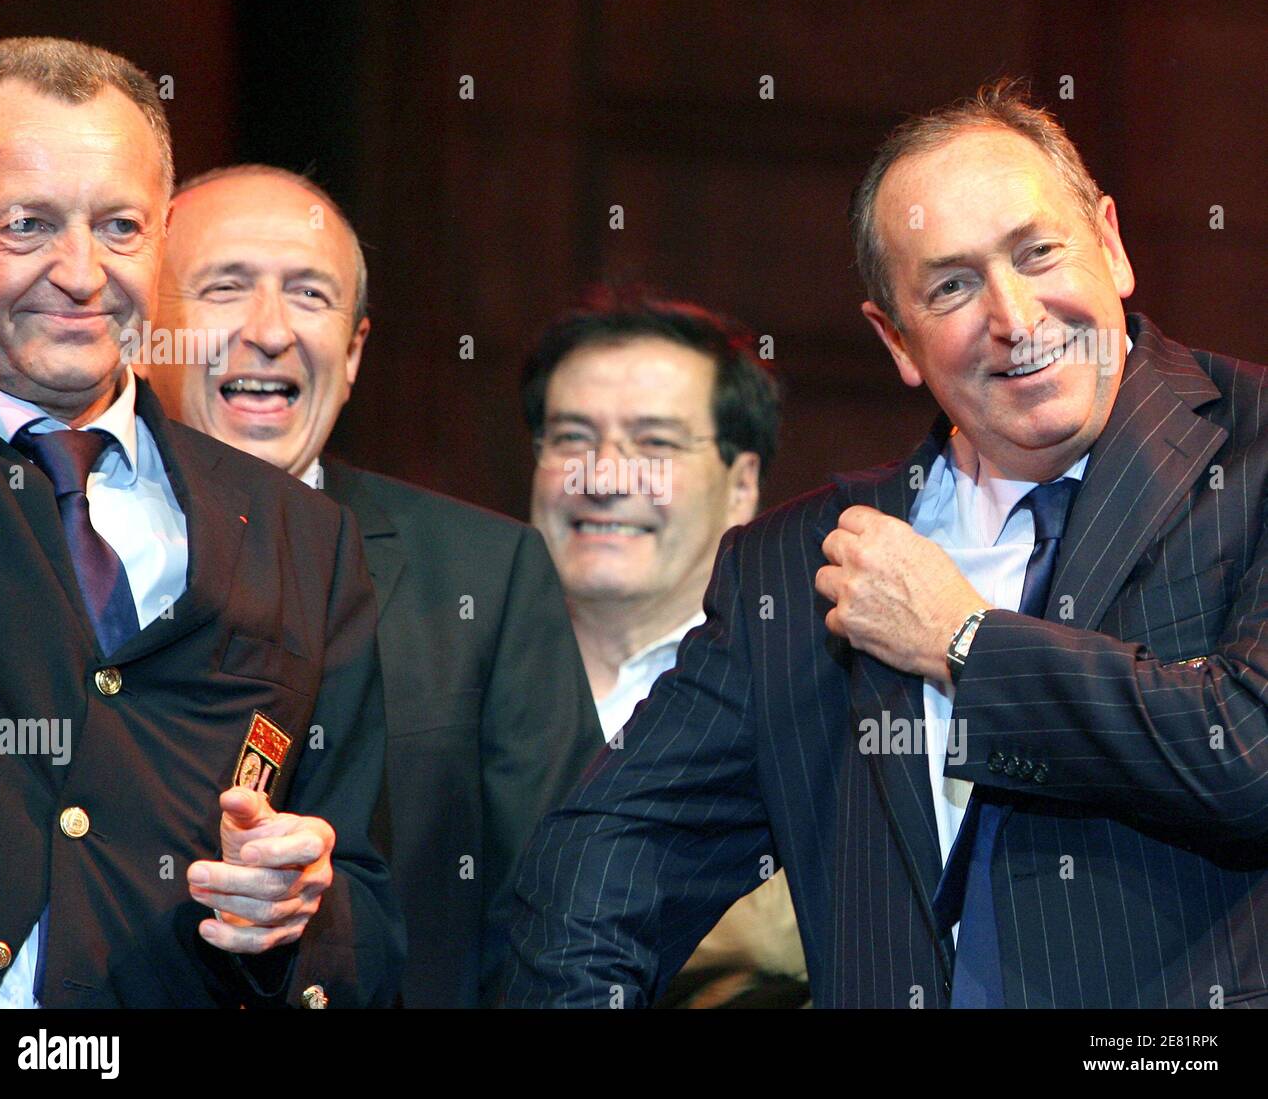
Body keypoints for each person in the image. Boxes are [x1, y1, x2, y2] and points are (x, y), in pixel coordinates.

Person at [504, 80, 1268, 1009]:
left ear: (1110, 244)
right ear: (897, 338)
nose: (1016, 317)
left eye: (1038, 252)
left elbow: (1251, 748)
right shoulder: (800, 563)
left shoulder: (1253, 451)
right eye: (951, 285)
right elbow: (599, 865)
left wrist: (966, 644)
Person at [0, 37, 402, 1009]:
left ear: (163, 236)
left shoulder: (307, 540)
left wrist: (295, 908)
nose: (80, 273)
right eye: (27, 224)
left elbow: (366, 906)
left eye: (119, 227)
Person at [149, 164, 603, 1007]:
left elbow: (562, 903)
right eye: (225, 286)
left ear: (354, 352)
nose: (271, 330)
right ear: (143, 329)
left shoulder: (484, 575)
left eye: (311, 296)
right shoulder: (65, 547)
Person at [521, 289, 807, 1007]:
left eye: (655, 443)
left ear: (742, 484)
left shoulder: (809, 699)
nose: (606, 476)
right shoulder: (447, 673)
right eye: (571, 437)